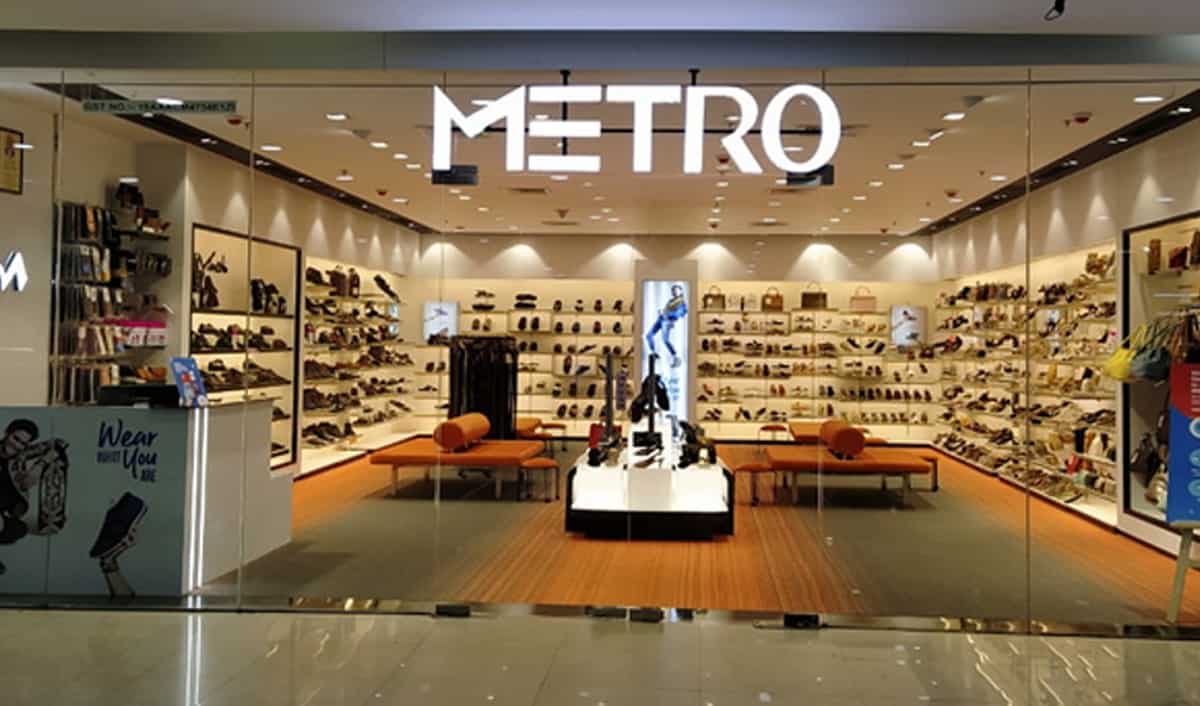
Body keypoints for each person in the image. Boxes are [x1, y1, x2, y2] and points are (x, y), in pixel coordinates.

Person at [0, 419, 39, 575]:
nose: (17, 445)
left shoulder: (19, 460)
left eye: (23, 443)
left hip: (5, 517)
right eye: (15, 438)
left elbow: (59, 445)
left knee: (19, 529)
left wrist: (37, 469)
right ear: (7, 433)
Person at [646, 284, 687, 368]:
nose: (674, 292)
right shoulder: (670, 301)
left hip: (667, 321)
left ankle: (676, 357)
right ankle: (653, 353)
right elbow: (666, 310)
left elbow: (679, 314)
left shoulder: (682, 302)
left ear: (680, 291)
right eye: (673, 290)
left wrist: (666, 314)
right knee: (649, 335)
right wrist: (661, 311)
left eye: (676, 290)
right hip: (661, 318)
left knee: (665, 340)